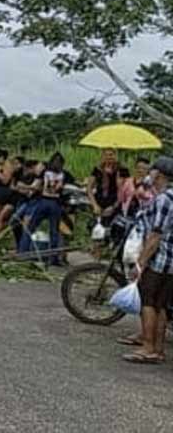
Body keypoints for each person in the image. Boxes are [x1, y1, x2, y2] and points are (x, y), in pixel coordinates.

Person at [123, 156, 173, 365]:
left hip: (161, 259)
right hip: (170, 262)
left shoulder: (164, 199)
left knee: (148, 302)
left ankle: (149, 346)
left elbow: (155, 235)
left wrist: (141, 263)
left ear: (158, 174)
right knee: (160, 305)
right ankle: (158, 349)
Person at [18, 153, 70, 266]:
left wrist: (29, 190)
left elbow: (36, 185)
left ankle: (22, 253)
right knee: (54, 231)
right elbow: (72, 186)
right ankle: (53, 257)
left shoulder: (45, 172)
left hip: (43, 201)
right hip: (55, 203)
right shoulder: (64, 174)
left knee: (30, 228)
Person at [87, 148, 121, 228]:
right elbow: (89, 188)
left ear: (115, 156)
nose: (109, 157)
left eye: (111, 155)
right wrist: (94, 205)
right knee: (95, 226)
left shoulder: (121, 169)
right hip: (99, 200)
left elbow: (123, 191)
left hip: (114, 201)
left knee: (110, 224)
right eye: (106, 155)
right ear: (102, 156)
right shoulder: (97, 169)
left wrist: (113, 207)